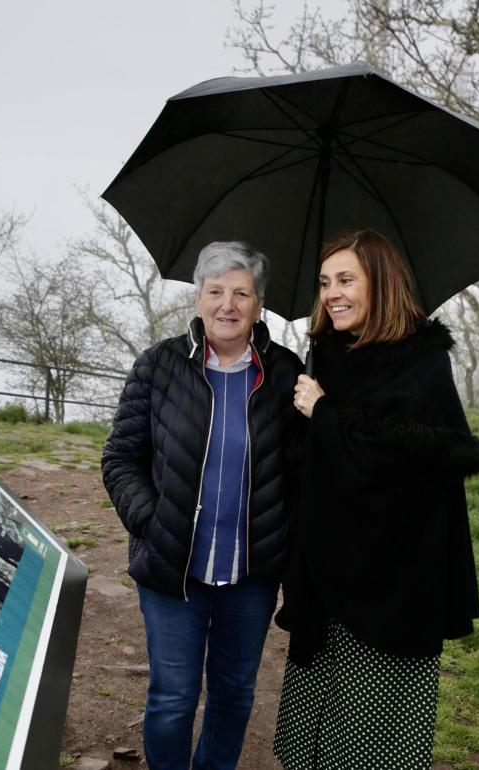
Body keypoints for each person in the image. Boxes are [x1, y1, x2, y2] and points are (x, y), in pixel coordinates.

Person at [272, 229, 479, 770]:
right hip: (328, 565)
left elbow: (416, 461)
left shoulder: (419, 359)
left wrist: (325, 414)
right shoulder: (327, 353)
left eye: (347, 279)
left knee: (371, 740)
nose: (332, 294)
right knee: (315, 731)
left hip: (392, 574)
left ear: (382, 283)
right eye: (324, 283)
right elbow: (312, 460)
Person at [101, 241, 302, 770]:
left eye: (242, 293)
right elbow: (121, 458)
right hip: (173, 568)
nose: (227, 305)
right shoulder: (158, 366)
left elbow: (302, 471)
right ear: (198, 299)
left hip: (251, 572)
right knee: (173, 697)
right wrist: (152, 520)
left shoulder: (285, 373)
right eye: (216, 292)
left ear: (260, 305)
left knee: (234, 695)